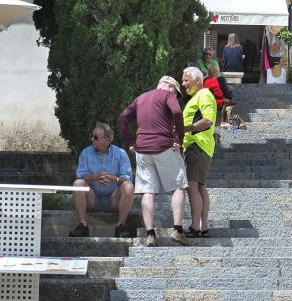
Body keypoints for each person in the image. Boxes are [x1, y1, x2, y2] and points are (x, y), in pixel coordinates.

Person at [118, 75, 190, 247]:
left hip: (142, 150)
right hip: (165, 146)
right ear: (169, 86)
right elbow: (178, 112)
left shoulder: (141, 98)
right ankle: (178, 230)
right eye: (175, 91)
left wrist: (129, 143)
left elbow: (122, 119)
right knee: (178, 187)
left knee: (148, 192)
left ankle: (150, 234)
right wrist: (179, 138)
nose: (175, 95)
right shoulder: (167, 95)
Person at [70, 122, 135, 238]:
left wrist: (113, 179)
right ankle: (83, 226)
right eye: (91, 136)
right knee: (78, 183)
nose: (91, 139)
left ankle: (120, 227)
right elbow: (81, 175)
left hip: (114, 199)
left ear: (106, 140)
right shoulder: (86, 153)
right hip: (92, 198)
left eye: (95, 137)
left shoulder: (121, 154)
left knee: (129, 186)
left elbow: (127, 177)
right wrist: (94, 177)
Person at [180, 67, 217, 238]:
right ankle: (203, 226)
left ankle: (196, 226)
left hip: (197, 145)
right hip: (201, 146)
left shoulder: (204, 95)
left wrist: (186, 128)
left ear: (197, 80)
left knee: (192, 187)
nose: (183, 84)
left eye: (186, 80)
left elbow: (208, 120)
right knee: (200, 187)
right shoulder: (199, 96)